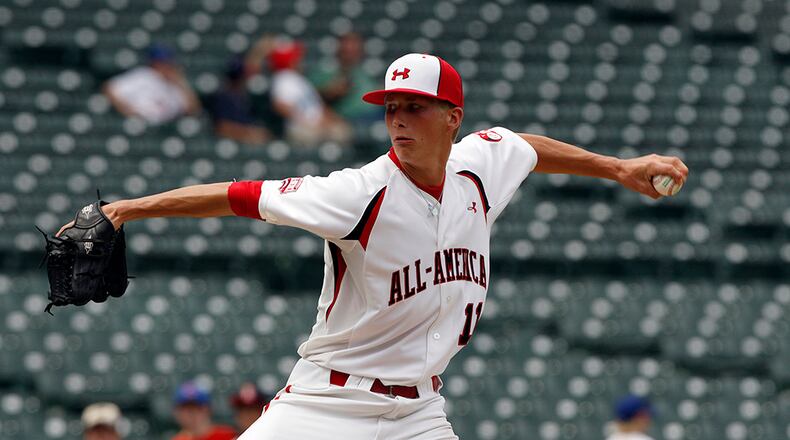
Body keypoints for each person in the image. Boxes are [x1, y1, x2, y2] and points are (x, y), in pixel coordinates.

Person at [58, 53, 688, 439]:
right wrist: (126, 209)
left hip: (419, 413)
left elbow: (524, 146)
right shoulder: (358, 193)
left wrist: (619, 168)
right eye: (391, 108)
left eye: (415, 107)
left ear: (453, 119)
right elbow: (237, 194)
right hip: (328, 401)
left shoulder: (478, 168)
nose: (398, 120)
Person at [267, 39, 352, 147]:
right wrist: (307, 122)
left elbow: (316, 105)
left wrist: (329, 120)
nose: (299, 60)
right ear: (290, 61)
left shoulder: (299, 79)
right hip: (300, 127)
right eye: (295, 57)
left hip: (315, 125)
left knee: (341, 131)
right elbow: (280, 106)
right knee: (317, 136)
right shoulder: (283, 78)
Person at [103, 44, 201, 125]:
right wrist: (127, 111)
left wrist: (181, 84)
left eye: (167, 62)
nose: (165, 65)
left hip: (167, 128)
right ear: (154, 63)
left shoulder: (175, 82)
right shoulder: (143, 75)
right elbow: (109, 88)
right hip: (140, 124)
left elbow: (193, 110)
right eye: (161, 62)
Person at [311, 32, 381, 124]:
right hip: (342, 119)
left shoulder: (367, 72)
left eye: (354, 49)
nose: (350, 52)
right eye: (346, 50)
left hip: (373, 117)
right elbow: (313, 98)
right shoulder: (326, 71)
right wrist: (330, 92)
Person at [208, 56, 271, 145]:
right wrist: (249, 132)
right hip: (229, 144)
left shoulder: (244, 97)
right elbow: (221, 127)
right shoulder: (222, 97)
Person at [171, 381, 236, 440]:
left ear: (207, 409)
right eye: (185, 409)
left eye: (197, 408)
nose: (191, 414)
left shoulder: (228, 435)